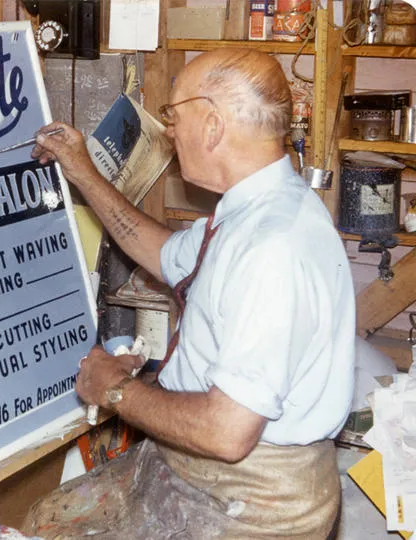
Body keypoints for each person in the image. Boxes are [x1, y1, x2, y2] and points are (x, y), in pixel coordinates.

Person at [23, 48, 355, 538]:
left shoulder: (274, 246)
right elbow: (160, 251)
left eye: (174, 116)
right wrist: (80, 169)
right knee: (47, 519)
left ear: (214, 124)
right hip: (204, 471)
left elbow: (226, 433)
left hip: (253, 501)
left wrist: (115, 390)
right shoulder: (256, 209)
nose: (169, 132)